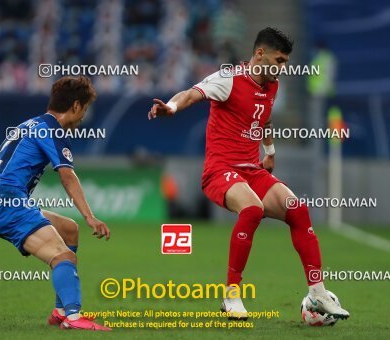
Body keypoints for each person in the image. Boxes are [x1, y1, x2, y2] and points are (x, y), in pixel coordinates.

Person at [148, 27, 349, 321]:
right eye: (279, 60)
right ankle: (231, 295)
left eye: (285, 62)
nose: (283, 67)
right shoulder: (228, 79)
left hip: (251, 169)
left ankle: (317, 294)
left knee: (298, 209)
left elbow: (263, 117)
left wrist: (269, 151)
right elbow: (192, 93)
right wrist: (172, 106)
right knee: (252, 209)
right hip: (220, 170)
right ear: (259, 54)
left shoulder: (272, 84)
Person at [0, 76, 111, 331]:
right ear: (75, 106)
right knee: (63, 257)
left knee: (68, 229)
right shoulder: (51, 129)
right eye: (84, 108)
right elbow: (67, 176)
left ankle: (60, 311)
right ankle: (73, 317)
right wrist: (90, 216)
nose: (84, 116)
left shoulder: (32, 124)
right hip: (7, 204)